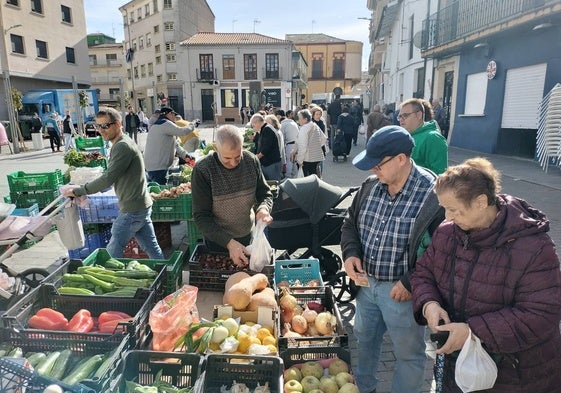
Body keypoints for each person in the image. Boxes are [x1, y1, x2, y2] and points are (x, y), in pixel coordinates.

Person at [410, 157, 561, 393]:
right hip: (459, 370)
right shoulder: (447, 233)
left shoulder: (534, 246)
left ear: (480, 202)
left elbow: (542, 313)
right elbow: (423, 273)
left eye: (454, 209)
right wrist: (429, 303)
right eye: (444, 209)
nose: (447, 217)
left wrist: (473, 332)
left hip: (517, 376)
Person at [341, 126, 444, 393]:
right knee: (365, 343)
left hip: (403, 293)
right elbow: (349, 224)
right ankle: (364, 388)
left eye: (379, 163)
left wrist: (411, 281)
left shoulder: (433, 196)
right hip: (366, 287)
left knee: (409, 355)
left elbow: (441, 251)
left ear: (401, 158)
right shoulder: (370, 187)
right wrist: (351, 253)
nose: (373, 169)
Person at [62, 107, 164, 260]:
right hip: (140, 205)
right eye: (98, 126)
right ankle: (166, 275)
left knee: (113, 249)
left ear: (118, 124)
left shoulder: (122, 146)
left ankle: (107, 279)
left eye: (105, 126)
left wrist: (79, 191)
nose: (101, 130)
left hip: (132, 209)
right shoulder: (122, 143)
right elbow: (114, 175)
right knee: (151, 247)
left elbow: (108, 178)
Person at [191, 125, 273, 267]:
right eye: (227, 158)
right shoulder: (203, 170)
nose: (233, 163)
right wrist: (228, 242)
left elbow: (264, 193)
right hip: (217, 242)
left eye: (237, 156)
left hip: (248, 236)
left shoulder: (251, 161)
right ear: (216, 148)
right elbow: (201, 216)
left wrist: (264, 208)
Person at [144, 107, 199, 185]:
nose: (175, 118)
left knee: (160, 190)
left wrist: (185, 155)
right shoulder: (165, 123)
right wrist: (193, 124)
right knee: (161, 192)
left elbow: (175, 145)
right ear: (169, 114)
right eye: (174, 115)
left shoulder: (158, 125)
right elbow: (183, 131)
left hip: (153, 166)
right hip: (158, 167)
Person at [399, 98, 448, 175]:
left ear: (419, 115)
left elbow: (439, 175)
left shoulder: (432, 138)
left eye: (405, 115)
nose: (401, 119)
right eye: (400, 116)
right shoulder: (406, 136)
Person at [292, 109, 326, 177]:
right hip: (316, 157)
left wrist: (300, 160)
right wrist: (315, 146)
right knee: (314, 178)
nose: (298, 120)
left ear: (305, 119)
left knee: (306, 180)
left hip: (307, 159)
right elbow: (324, 139)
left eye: (299, 118)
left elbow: (302, 146)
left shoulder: (304, 128)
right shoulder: (315, 125)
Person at [250, 113, 282, 181]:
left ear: (258, 122)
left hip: (271, 164)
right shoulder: (263, 129)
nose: (253, 127)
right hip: (268, 163)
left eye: (253, 125)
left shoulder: (267, 129)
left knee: (274, 184)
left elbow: (266, 147)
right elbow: (260, 143)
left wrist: (256, 157)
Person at [276, 109, 299, 179]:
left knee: (289, 160)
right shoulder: (293, 123)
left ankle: (288, 176)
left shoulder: (283, 124)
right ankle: (295, 175)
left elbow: (282, 136)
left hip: (290, 144)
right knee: (294, 160)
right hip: (297, 143)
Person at [264, 114, 286, 178]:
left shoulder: (276, 133)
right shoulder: (275, 132)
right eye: (265, 122)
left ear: (274, 123)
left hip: (274, 162)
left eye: (268, 122)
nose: (266, 124)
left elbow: (279, 148)